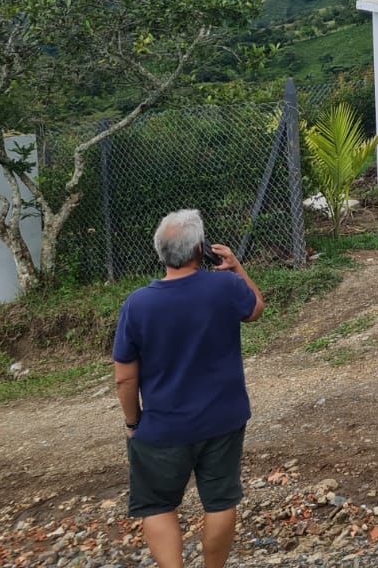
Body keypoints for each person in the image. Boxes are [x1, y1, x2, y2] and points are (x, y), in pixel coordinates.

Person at [113, 209, 265, 568]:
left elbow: (124, 377)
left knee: (158, 504)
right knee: (220, 501)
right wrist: (236, 266)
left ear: (160, 253)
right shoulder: (225, 287)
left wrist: (133, 422)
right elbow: (256, 309)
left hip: (163, 427)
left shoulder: (137, 304)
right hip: (223, 420)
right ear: (201, 249)